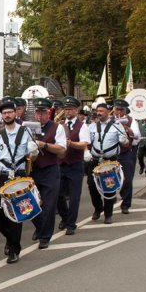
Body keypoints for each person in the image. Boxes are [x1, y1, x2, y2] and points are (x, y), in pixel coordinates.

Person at [0, 100, 38, 263]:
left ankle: (14, 249)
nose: (7, 115)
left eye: (10, 112)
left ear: (15, 113)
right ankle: (9, 238)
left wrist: (34, 151)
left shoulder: (25, 132)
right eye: (4, 113)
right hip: (1, 174)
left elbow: (32, 157)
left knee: (15, 213)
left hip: (19, 175)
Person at [29, 98, 66, 249]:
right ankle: (40, 226)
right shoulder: (28, 128)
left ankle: (45, 236)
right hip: (32, 170)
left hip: (50, 169)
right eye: (37, 112)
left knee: (49, 205)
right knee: (31, 204)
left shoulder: (57, 127)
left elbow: (62, 149)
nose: (40, 116)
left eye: (43, 113)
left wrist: (44, 145)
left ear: (48, 113)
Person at [87, 102, 128, 224]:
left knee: (109, 187)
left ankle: (108, 214)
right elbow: (87, 141)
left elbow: (125, 143)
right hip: (95, 160)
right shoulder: (92, 126)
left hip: (109, 160)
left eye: (101, 111)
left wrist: (124, 140)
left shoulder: (117, 125)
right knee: (92, 186)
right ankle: (98, 207)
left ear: (108, 112)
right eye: (97, 111)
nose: (98, 113)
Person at [57, 96, 90, 236]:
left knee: (74, 196)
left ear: (76, 110)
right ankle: (65, 217)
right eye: (66, 109)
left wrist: (71, 144)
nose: (68, 112)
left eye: (70, 109)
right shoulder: (60, 125)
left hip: (75, 164)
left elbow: (84, 144)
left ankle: (71, 224)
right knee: (58, 195)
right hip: (61, 164)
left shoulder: (82, 126)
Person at [113, 100, 140, 214]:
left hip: (126, 153)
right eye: (117, 109)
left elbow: (137, 136)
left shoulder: (131, 120)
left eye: (121, 110)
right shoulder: (109, 119)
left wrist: (127, 128)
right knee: (110, 178)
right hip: (111, 153)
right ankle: (111, 198)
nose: (119, 112)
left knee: (127, 179)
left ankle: (126, 203)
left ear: (125, 110)